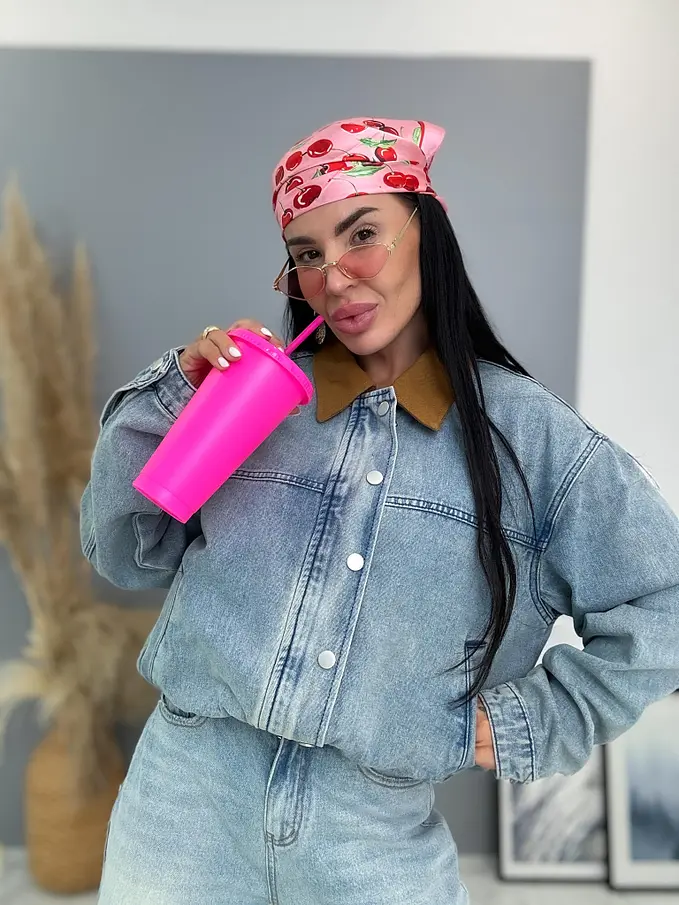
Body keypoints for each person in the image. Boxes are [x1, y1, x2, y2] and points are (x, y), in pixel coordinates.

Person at [81, 117, 679, 905]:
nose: (333, 277)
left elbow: (663, 600)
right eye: (306, 254)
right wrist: (175, 401)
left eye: (362, 234)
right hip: (182, 811)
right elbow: (125, 553)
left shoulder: (534, 441)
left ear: (426, 234)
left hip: (370, 842)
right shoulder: (251, 403)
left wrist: (530, 720)